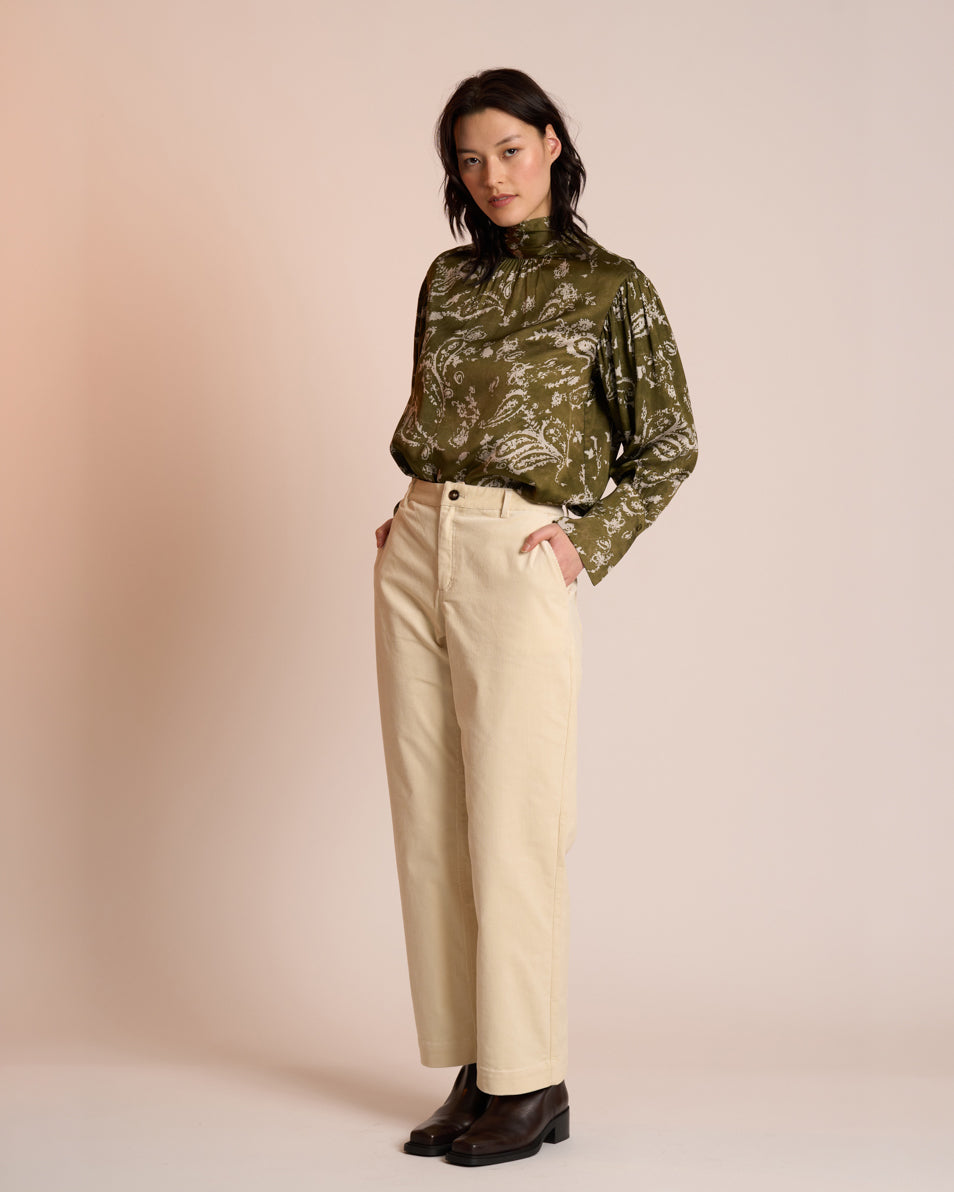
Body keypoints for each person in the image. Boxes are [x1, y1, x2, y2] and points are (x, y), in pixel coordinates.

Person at [372, 67, 698, 1167]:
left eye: (509, 149)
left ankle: (532, 1076)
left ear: (552, 144)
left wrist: (584, 543)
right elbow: (436, 411)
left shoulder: (611, 287)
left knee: (515, 821)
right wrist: (409, 515)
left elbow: (669, 442)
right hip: (418, 546)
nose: (491, 175)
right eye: (469, 159)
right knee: (431, 820)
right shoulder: (447, 280)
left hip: (517, 555)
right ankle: (477, 1065)